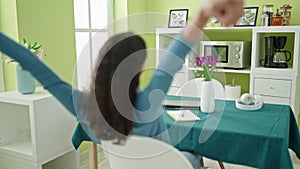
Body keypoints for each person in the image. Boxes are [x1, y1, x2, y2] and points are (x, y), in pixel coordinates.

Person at [0, 0, 243, 168]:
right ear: (138, 68)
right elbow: (174, 55)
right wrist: (202, 14)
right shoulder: (149, 101)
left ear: (103, 62)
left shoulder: (83, 107)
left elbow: (34, 65)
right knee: (193, 153)